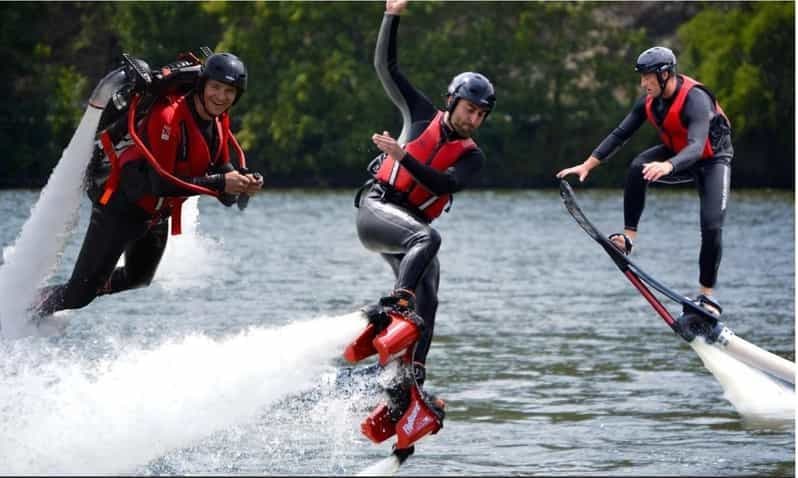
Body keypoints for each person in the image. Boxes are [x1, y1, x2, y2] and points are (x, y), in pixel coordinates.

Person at [33, 52, 263, 317]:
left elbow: (223, 174)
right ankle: (19, 312)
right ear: (202, 84)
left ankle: (69, 294)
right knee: (78, 295)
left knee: (138, 278)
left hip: (155, 214)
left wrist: (243, 183)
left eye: (229, 91)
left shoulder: (220, 120)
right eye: (216, 87)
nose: (221, 97)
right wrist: (222, 182)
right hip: (121, 206)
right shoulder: (168, 117)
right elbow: (160, 183)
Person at [354, 0, 496, 392]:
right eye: (469, 109)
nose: (473, 120)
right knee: (427, 240)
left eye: (481, 115)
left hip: (409, 226)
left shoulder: (473, 157)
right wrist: (392, 15)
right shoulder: (419, 115)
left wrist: (402, 157)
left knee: (430, 290)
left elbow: (443, 185)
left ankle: (409, 376)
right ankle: (397, 303)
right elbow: (387, 68)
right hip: (377, 210)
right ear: (452, 101)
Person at [556, 46, 733, 315]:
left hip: (712, 159)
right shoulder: (650, 102)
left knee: (711, 227)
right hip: (676, 155)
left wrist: (668, 165)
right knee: (637, 167)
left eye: (647, 77)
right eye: (641, 77)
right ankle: (628, 239)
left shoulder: (696, 99)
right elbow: (620, 134)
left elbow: (697, 146)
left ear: (665, 74)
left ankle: (707, 298)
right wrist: (588, 164)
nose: (643, 83)